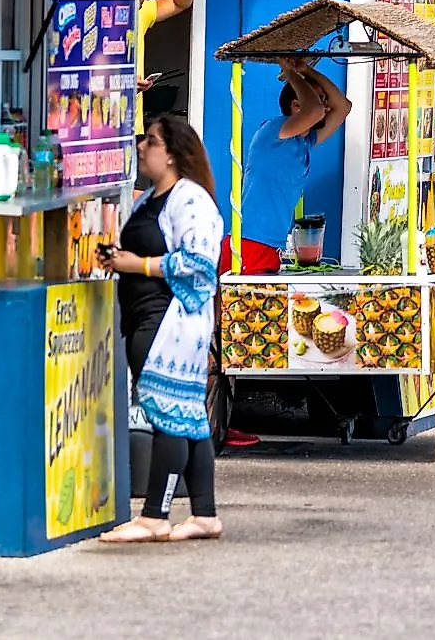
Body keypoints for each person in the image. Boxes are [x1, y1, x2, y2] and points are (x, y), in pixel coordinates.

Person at [99, 115, 225, 543]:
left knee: (168, 412)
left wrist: (139, 265)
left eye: (150, 141)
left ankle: (155, 514)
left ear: (171, 153)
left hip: (171, 320)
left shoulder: (190, 199)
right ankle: (204, 514)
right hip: (146, 316)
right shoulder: (151, 198)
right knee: (188, 416)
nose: (141, 147)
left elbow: (200, 263)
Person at [230, 63, 350, 273]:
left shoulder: (305, 142)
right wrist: (291, 74)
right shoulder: (273, 131)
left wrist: (306, 70)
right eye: (321, 100)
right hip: (250, 243)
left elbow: (343, 107)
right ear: (296, 105)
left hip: (270, 247)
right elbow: (314, 111)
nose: (326, 107)